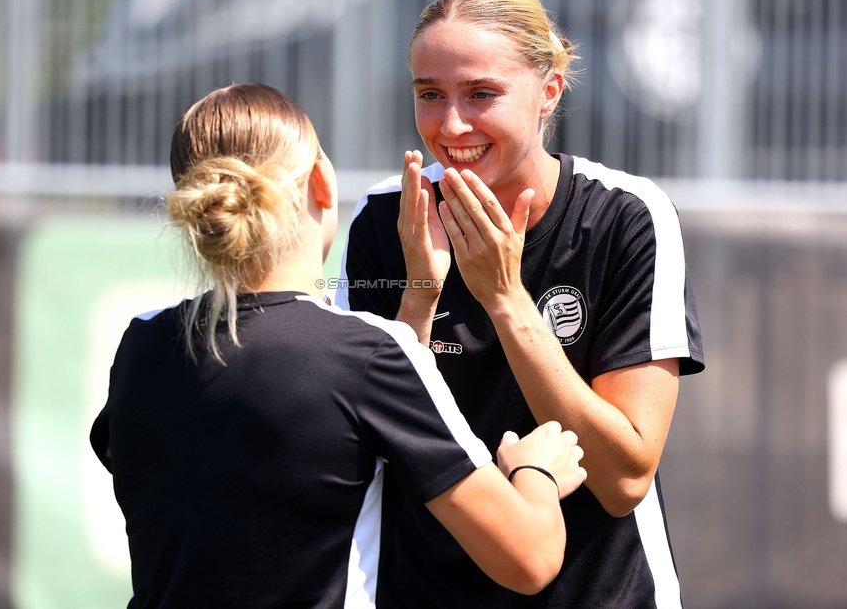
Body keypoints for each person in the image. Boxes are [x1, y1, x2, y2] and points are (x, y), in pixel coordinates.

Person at [89, 83, 587, 608]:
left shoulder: (142, 344)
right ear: (323, 183)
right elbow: (529, 560)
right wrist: (537, 474)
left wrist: (420, 293)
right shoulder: (368, 355)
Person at [337, 0, 705, 609]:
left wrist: (506, 300)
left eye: (482, 94)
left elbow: (624, 478)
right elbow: (370, 448)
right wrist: (420, 296)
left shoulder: (627, 217)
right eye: (430, 94)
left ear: (548, 92)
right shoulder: (382, 221)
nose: (451, 125)